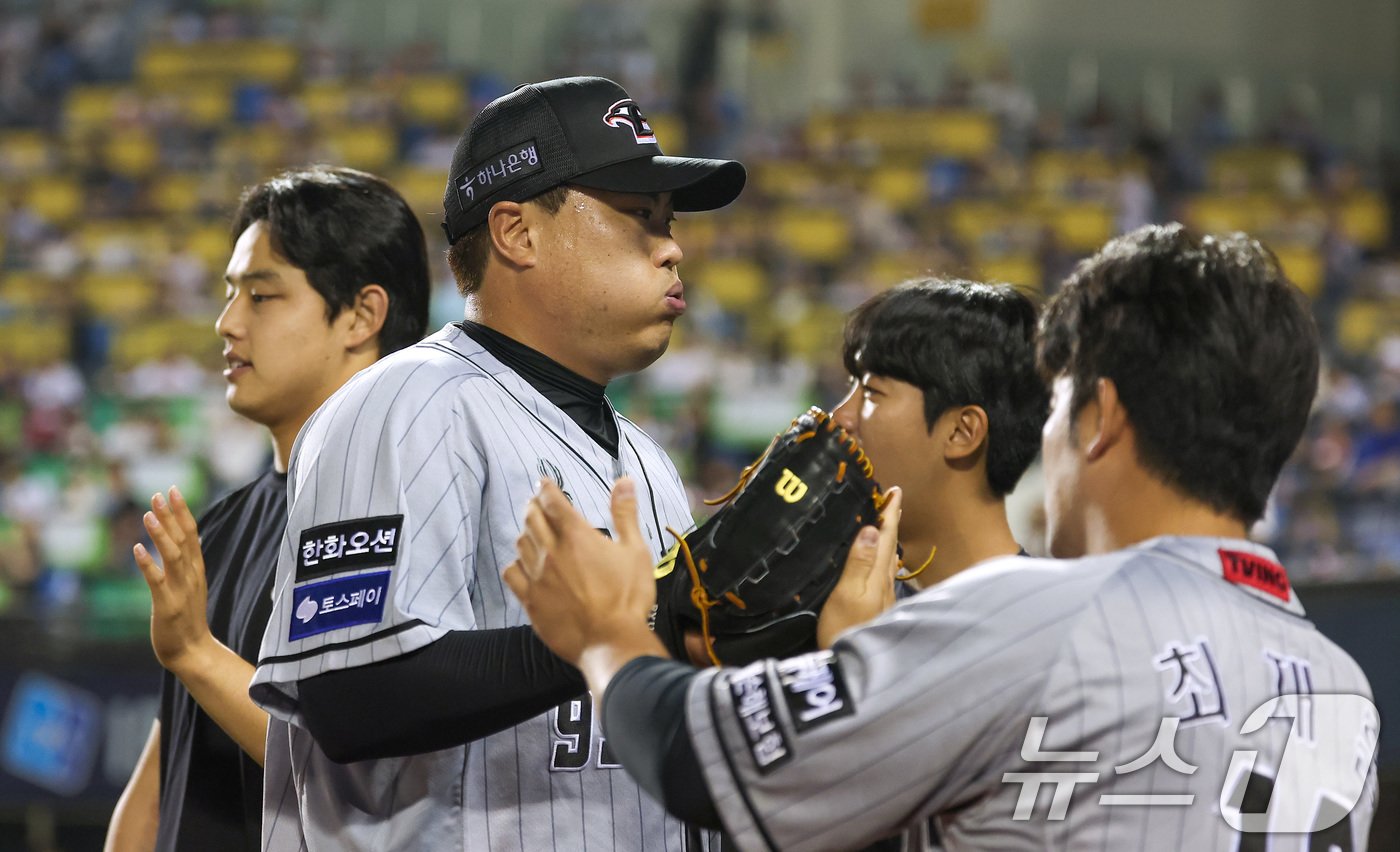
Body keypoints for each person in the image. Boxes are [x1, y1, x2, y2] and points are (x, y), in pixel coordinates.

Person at [505, 224, 1380, 850]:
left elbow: (693, 755)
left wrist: (608, 634)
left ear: (1102, 418)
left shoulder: (1041, 618)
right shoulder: (1339, 687)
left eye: (1060, 404)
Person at [246, 76, 745, 851]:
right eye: (637, 215)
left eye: (668, 221)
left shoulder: (648, 460)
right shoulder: (406, 404)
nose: (672, 246)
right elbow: (346, 692)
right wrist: (601, 634)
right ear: (516, 232)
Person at [104, 166, 431, 852]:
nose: (227, 323)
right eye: (230, 294)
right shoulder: (223, 525)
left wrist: (197, 653)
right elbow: (163, 781)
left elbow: (360, 772)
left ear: (362, 315)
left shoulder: (415, 514)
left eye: (261, 295)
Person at [831, 278, 1046, 591]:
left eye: (871, 392)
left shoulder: (1053, 617)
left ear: (961, 432)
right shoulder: (820, 600)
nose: (839, 418)